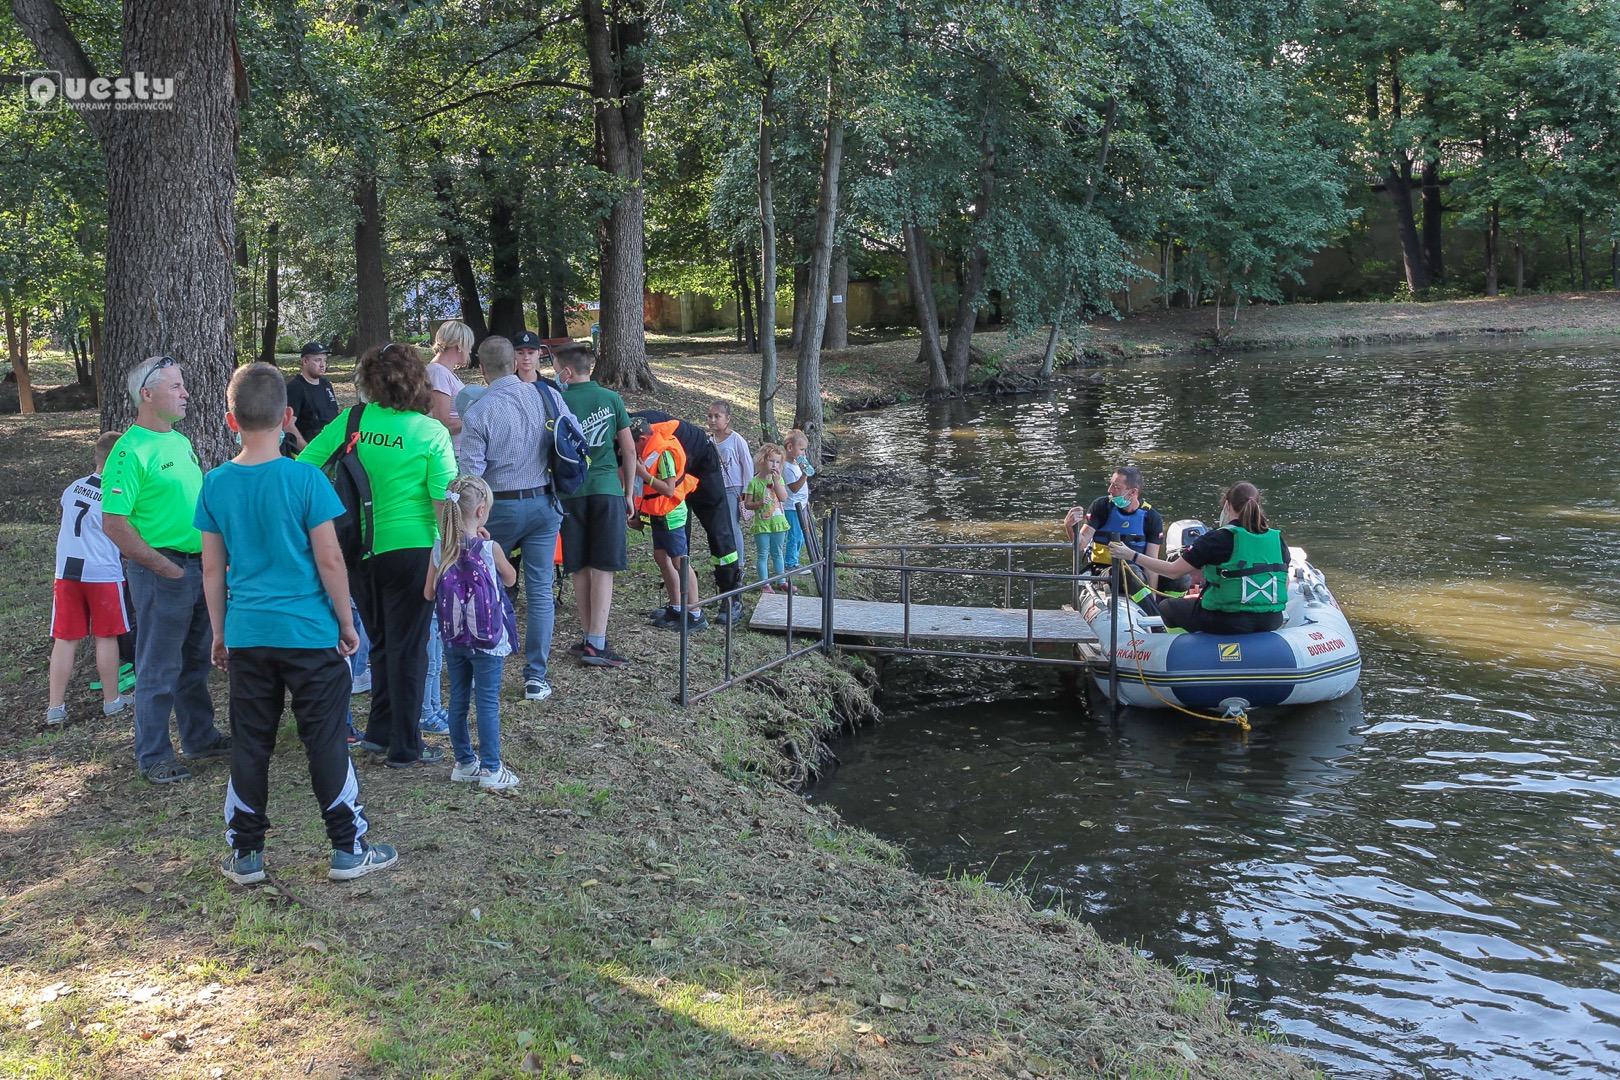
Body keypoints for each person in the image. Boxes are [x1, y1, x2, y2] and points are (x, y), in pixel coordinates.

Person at [198, 363, 397, 885]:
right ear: (287, 416)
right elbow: (330, 560)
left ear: (229, 420)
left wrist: (220, 633)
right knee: (325, 739)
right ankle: (348, 849)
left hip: (247, 634)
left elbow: (213, 570)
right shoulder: (306, 478)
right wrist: (346, 621)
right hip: (310, 635)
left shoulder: (214, 484)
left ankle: (246, 856)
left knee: (251, 742)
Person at [300, 342, 455, 769]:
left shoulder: (353, 420)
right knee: (410, 648)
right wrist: (450, 559)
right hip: (413, 551)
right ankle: (406, 747)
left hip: (357, 550)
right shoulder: (431, 432)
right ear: (418, 380)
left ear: (369, 381)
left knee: (384, 642)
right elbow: (445, 503)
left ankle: (380, 732)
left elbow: (305, 468)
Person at [102, 355, 230, 784]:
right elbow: (114, 524)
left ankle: (199, 737)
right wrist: (167, 570)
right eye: (175, 387)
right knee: (157, 666)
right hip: (163, 571)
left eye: (182, 385)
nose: (185, 393)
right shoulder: (129, 450)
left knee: (195, 661)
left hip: (199, 568)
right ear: (147, 394)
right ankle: (153, 754)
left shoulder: (177, 440)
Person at [457, 334, 572, 701]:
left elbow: (471, 479)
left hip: (498, 509)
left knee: (482, 584)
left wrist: (470, 525)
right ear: (514, 362)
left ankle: (482, 665)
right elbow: (576, 437)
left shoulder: (479, 412)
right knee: (539, 591)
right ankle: (536, 676)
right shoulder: (548, 395)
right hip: (544, 503)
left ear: (482, 369)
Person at [427, 475, 520, 790]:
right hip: (487, 639)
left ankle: (464, 763)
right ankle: (492, 769)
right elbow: (509, 579)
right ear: (481, 511)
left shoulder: (440, 549)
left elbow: (429, 593)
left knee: (458, 698)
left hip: (454, 638)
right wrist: (491, 545)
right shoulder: (488, 547)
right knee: (487, 701)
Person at [1109, 481, 1289, 635]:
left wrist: (1131, 554)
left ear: (1227, 505)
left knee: (1168, 607)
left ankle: (1180, 644)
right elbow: (1284, 582)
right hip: (1271, 620)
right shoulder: (1276, 539)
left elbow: (1173, 572)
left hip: (1227, 620)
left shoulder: (1217, 539)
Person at [554, 342, 635, 667]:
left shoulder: (557, 400)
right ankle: (597, 643)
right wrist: (628, 493)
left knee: (580, 564)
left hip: (570, 493)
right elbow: (628, 450)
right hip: (606, 489)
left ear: (567, 371)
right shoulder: (611, 399)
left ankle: (589, 636)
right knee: (603, 565)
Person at [45, 431, 132, 726]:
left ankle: (55, 707)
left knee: (65, 639)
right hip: (102, 572)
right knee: (105, 636)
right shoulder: (116, 494)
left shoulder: (73, 488)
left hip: (67, 572)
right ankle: (112, 700)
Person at [629, 410, 745, 625]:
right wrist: (635, 511)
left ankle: (730, 596)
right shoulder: (622, 438)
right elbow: (630, 478)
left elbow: (641, 474)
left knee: (718, 530)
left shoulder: (635, 430)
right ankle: (681, 604)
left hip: (700, 463)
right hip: (670, 481)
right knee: (674, 548)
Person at [635, 415, 703, 630]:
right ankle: (677, 606)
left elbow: (669, 489)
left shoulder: (663, 454)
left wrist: (644, 475)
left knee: (679, 561)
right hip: (658, 513)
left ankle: (695, 613)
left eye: (632, 442)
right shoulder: (646, 450)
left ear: (644, 439)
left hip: (671, 513)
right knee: (661, 557)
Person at [1063, 466, 1165, 588]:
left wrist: (1152, 595)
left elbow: (1151, 564)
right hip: (1103, 571)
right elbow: (1081, 544)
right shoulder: (1101, 506)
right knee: (1130, 573)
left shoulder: (1152, 518)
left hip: (1137, 572)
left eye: (1116, 487)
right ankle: (1147, 603)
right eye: (1111, 484)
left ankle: (1159, 605)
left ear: (1133, 492)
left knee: (1181, 580)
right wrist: (1069, 526)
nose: (1109, 490)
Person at [708, 401, 751, 567]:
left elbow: (747, 464)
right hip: (715, 489)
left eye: (717, 416)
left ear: (727, 418)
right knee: (718, 525)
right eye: (710, 416)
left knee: (733, 525)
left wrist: (747, 490)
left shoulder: (736, 439)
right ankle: (723, 560)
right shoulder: (709, 441)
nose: (713, 420)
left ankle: (739, 565)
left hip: (734, 489)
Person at [743, 444, 791, 591]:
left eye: (777, 462)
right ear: (762, 461)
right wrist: (758, 503)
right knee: (763, 553)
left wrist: (777, 481)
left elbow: (783, 498)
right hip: (762, 524)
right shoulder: (754, 482)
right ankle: (765, 583)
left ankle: (781, 580)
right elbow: (747, 504)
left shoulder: (778, 480)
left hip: (778, 522)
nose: (774, 465)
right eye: (771, 461)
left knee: (777, 552)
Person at [281, 341, 340, 457]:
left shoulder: (326, 384)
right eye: (317, 360)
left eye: (325, 360)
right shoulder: (295, 388)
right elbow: (287, 424)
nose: (322, 365)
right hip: (308, 453)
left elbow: (335, 415)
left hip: (330, 450)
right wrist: (307, 450)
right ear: (305, 361)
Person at [428, 320, 472, 452]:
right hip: (451, 453)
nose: (469, 351)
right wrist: (475, 420)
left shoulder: (445, 372)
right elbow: (442, 424)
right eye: (468, 346)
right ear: (459, 346)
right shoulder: (438, 372)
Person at [781, 428, 815, 576]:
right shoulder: (787, 468)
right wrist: (804, 476)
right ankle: (791, 564)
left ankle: (794, 559)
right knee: (794, 535)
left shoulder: (796, 464)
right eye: (801, 449)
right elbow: (794, 488)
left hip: (801, 505)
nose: (803, 454)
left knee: (801, 535)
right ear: (790, 447)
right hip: (792, 507)